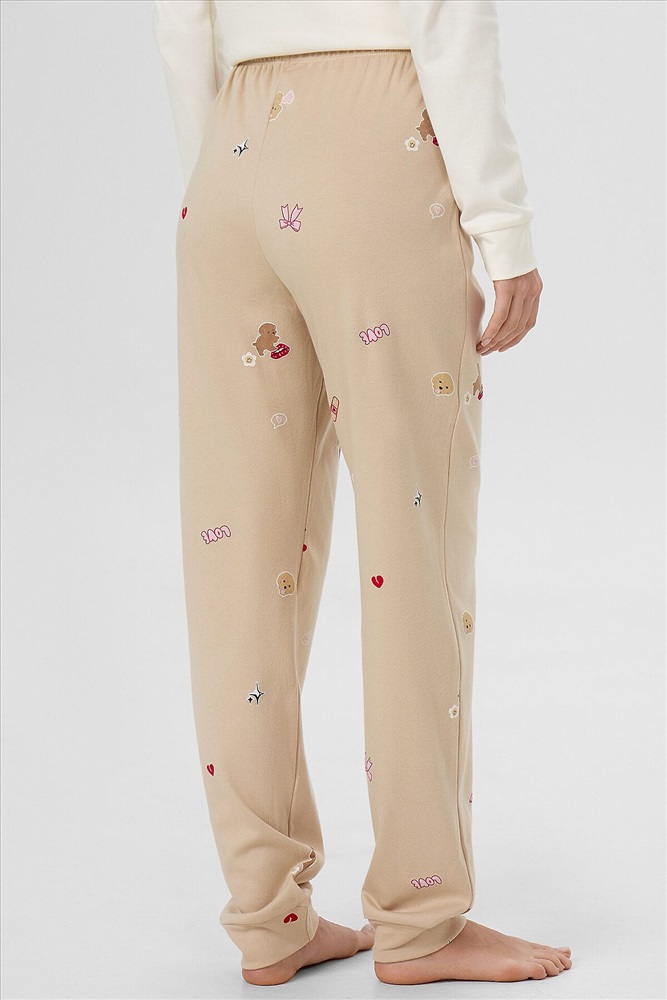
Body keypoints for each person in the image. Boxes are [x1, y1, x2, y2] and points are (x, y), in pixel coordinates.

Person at [153, 0, 570, 987]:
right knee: (410, 536)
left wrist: (225, 169)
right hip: (375, 141)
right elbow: (443, 17)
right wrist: (501, 226)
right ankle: (422, 920)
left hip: (228, 161)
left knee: (238, 555)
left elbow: (179, 23)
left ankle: (267, 918)